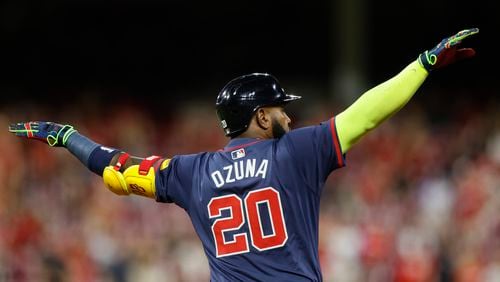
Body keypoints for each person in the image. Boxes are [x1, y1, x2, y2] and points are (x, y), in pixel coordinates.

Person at [9, 28, 479, 281]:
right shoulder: (295, 151)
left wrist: (67, 136)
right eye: (280, 110)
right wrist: (424, 64)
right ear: (259, 117)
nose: (289, 118)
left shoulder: (191, 172)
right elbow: (366, 115)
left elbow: (115, 168)